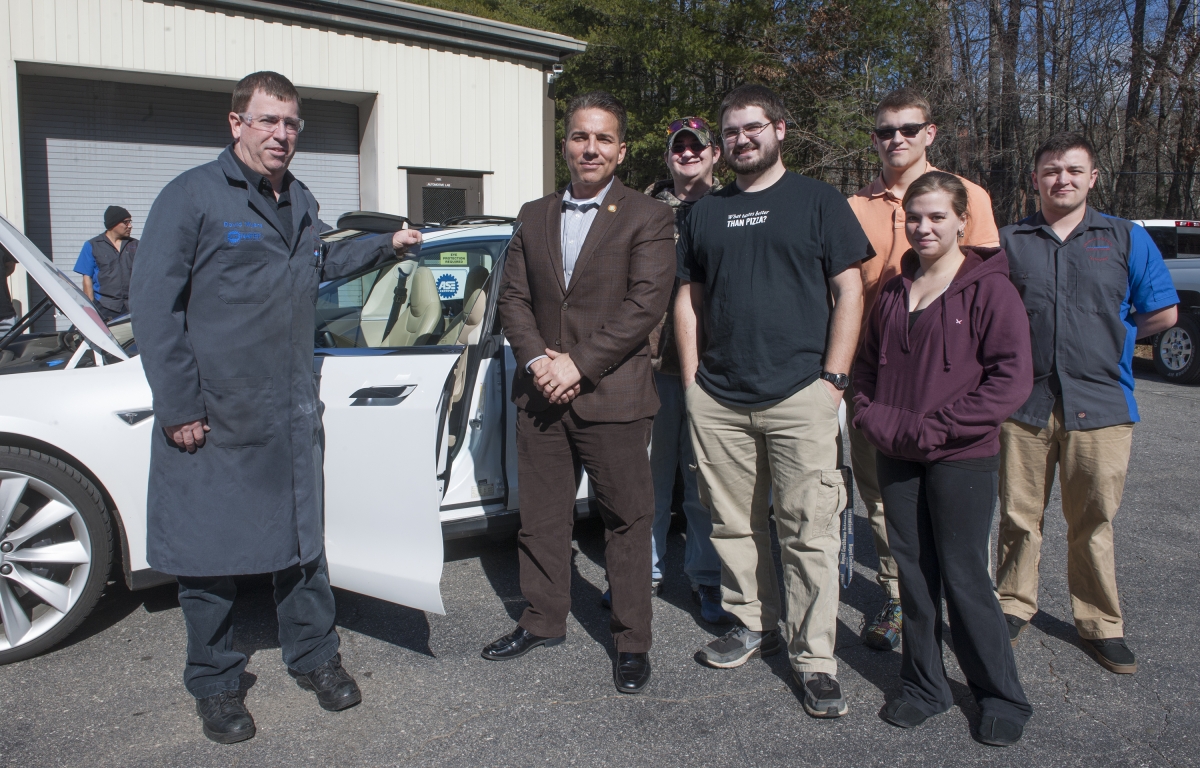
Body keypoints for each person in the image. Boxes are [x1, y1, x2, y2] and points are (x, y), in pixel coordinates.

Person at [129, 71, 422, 745]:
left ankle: (315, 657)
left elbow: (319, 263)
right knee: (208, 562)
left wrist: (387, 245)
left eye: (291, 124)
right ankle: (215, 681)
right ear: (237, 124)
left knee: (300, 548)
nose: (281, 135)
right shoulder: (192, 196)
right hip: (214, 415)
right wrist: (179, 406)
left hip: (288, 415)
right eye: (267, 121)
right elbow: (153, 309)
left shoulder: (298, 199)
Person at [675, 84, 869, 719]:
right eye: (731, 132)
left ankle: (814, 658)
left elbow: (849, 290)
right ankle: (750, 622)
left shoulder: (819, 200)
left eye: (753, 128)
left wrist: (832, 380)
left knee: (808, 529)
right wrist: (693, 383)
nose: (741, 140)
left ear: (780, 129)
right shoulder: (704, 212)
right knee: (732, 523)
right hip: (720, 399)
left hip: (799, 394)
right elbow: (689, 300)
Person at [485, 91, 675, 695]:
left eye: (602, 138)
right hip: (540, 394)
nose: (589, 148)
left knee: (625, 519)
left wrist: (579, 365)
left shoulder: (648, 215)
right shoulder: (533, 213)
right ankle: (543, 620)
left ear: (620, 150)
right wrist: (541, 360)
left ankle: (631, 641)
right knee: (541, 518)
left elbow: (644, 305)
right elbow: (512, 298)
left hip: (612, 396)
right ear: (564, 143)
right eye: (579, 136)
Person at [853, 171, 1034, 746]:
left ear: (962, 220)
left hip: (961, 455)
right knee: (913, 572)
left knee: (963, 576)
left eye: (936, 216)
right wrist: (872, 417)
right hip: (898, 451)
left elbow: (1011, 380)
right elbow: (864, 369)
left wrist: (940, 429)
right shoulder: (894, 291)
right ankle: (925, 685)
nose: (924, 227)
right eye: (915, 216)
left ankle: (1000, 694)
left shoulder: (989, 289)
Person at [996, 133, 1179, 674]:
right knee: (1017, 515)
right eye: (1051, 170)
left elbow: (1163, 313)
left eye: (1074, 170)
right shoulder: (1010, 241)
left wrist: (1118, 336)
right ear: (1035, 179)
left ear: (1093, 177)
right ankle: (1012, 604)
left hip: (1101, 402)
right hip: (1024, 404)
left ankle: (1101, 624)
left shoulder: (1126, 238)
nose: (1063, 179)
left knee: (1093, 519)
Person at [846, 88, 1000, 651]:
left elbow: (986, 289)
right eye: (886, 131)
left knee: (955, 507)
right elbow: (843, 295)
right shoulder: (855, 207)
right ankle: (899, 597)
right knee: (884, 501)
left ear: (929, 133)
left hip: (947, 384)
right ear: (874, 139)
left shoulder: (966, 198)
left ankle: (965, 608)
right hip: (878, 381)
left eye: (908, 129)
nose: (897, 140)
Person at [616, 115, 733, 625]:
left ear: (714, 155)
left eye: (697, 147)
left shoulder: (734, 208)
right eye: (678, 148)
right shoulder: (637, 211)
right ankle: (643, 571)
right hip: (648, 365)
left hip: (714, 367)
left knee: (703, 479)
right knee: (647, 479)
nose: (687, 154)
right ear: (668, 157)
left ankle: (706, 578)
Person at [74, 205, 138, 321]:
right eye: (126, 222)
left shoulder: (136, 245)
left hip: (133, 306)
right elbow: (87, 279)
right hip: (105, 307)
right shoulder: (92, 245)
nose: (130, 226)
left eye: (130, 222)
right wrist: (92, 309)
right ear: (113, 224)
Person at [0, 248, 16, 335]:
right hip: (5, 316)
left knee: (10, 348)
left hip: (4, 317)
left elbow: (10, 265)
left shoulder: (3, 240)